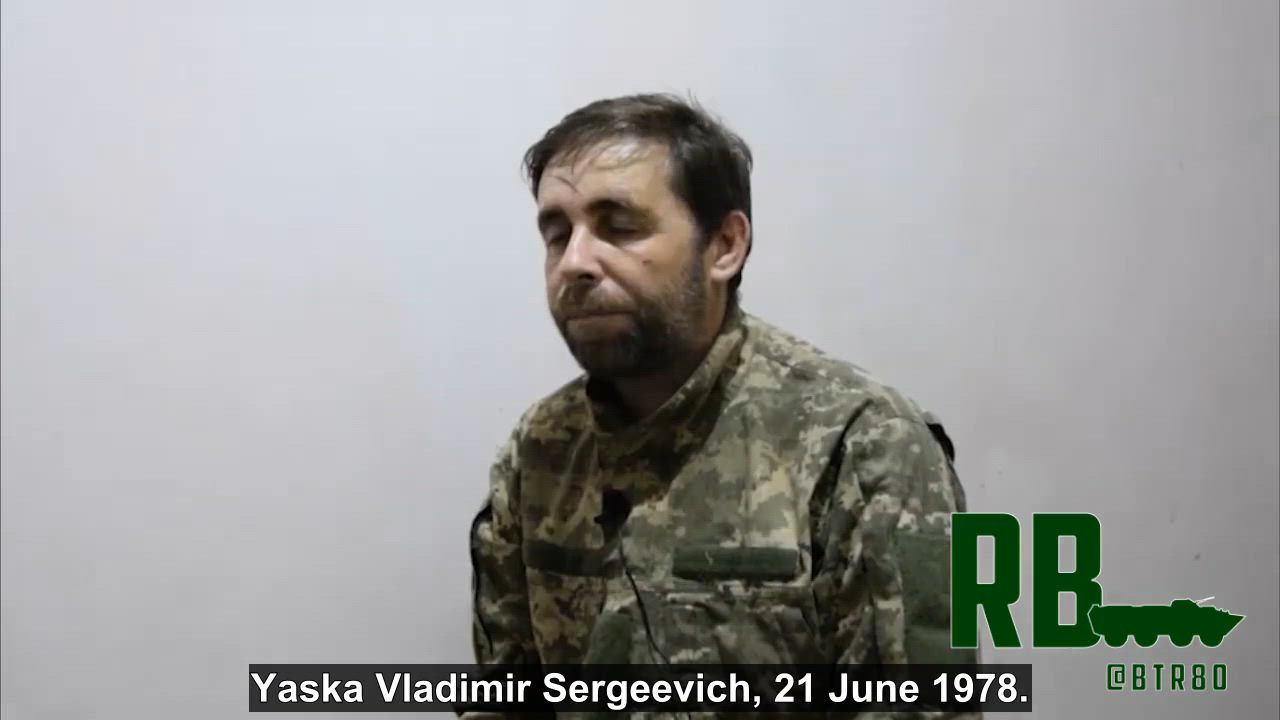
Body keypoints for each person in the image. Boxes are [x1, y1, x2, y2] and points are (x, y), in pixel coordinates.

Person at [469, 93, 976, 705]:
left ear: (724, 246)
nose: (575, 262)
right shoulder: (541, 450)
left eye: (619, 227)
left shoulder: (862, 446)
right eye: (557, 234)